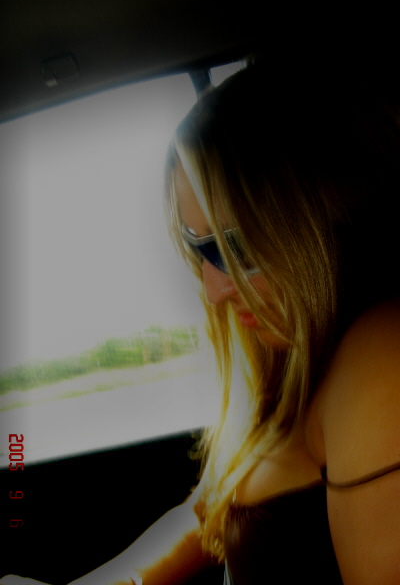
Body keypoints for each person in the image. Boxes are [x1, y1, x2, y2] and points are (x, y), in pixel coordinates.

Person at [2, 59, 400, 585]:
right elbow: (202, 513)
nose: (213, 290)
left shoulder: (381, 356)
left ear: (326, 214)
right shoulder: (285, 369)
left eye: (237, 248)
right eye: (200, 249)